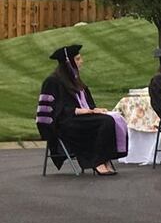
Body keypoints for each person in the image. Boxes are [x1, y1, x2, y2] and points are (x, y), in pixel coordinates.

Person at [36, 43, 127, 175]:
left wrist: (94, 109)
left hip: (78, 120)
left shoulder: (75, 80)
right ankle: (98, 161)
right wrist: (77, 111)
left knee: (111, 118)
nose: (81, 62)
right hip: (64, 123)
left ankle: (105, 158)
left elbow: (87, 105)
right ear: (68, 62)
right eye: (78, 59)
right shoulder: (52, 81)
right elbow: (53, 110)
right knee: (104, 122)